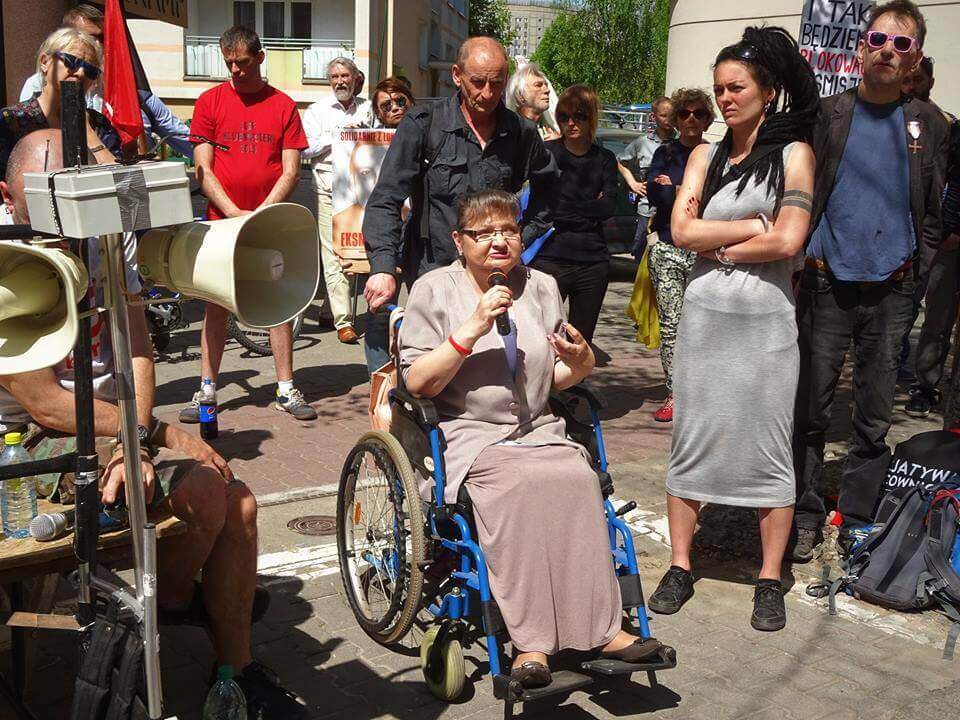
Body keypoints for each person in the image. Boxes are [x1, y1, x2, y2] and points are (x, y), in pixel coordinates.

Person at [0, 130, 307, 719]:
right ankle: (175, 601)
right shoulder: (11, 256)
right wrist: (158, 436)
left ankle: (232, 670)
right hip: (32, 446)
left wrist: (135, 441)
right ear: (11, 199)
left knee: (239, 506)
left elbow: (139, 346)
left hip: (112, 427)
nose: (65, 226)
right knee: (205, 491)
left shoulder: (104, 244)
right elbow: (44, 405)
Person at [399, 189, 663, 688]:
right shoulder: (433, 290)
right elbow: (417, 383)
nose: (500, 241)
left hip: (538, 427)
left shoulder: (541, 285)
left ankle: (603, 631)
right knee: (519, 484)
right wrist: (472, 326)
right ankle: (531, 643)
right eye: (485, 232)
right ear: (459, 241)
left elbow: (553, 377)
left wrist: (581, 360)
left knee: (576, 477)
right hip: (469, 432)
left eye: (510, 230)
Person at [647, 26, 818, 632]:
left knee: (771, 442)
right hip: (704, 322)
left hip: (766, 325)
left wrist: (728, 246)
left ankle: (770, 576)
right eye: (718, 89)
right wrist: (750, 230)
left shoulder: (794, 154)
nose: (724, 99)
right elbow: (681, 231)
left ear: (767, 91)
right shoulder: (704, 155)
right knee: (693, 436)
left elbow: (791, 239)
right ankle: (680, 564)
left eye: (736, 87)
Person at [792, 0, 950, 561]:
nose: (887, 50)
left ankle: (857, 517)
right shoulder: (829, 115)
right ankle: (805, 514)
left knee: (874, 415)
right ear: (861, 47)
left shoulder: (929, 124)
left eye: (901, 45)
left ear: (915, 61)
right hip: (827, 283)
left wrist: (919, 272)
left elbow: (933, 212)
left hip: (894, 290)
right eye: (878, 39)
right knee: (809, 409)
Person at [361, 36, 558, 315]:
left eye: (497, 83)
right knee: (436, 357)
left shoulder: (521, 133)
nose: (488, 94)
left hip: (494, 275)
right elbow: (386, 198)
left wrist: (521, 238)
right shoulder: (424, 125)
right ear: (457, 75)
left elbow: (549, 189)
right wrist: (383, 267)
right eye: (478, 82)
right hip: (432, 271)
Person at [182, 26, 317, 422]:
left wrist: (260, 214)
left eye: (242, 62)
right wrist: (233, 213)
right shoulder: (210, 101)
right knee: (216, 304)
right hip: (221, 223)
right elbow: (202, 169)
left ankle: (286, 388)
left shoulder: (283, 106)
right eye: (229, 63)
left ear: (260, 57)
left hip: (268, 222)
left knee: (276, 302)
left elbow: (291, 171)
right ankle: (206, 388)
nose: (235, 70)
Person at [645, 88, 714, 423]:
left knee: (705, 325)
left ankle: (702, 393)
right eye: (684, 113)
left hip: (706, 253)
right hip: (668, 249)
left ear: (706, 119)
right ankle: (675, 391)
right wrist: (672, 190)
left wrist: (674, 186)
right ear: (675, 118)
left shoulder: (716, 155)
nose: (691, 119)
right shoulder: (665, 152)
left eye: (698, 113)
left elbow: (711, 202)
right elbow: (658, 196)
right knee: (671, 326)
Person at [528, 85, 617, 345]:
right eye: (564, 116)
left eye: (579, 116)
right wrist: (588, 207)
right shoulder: (548, 154)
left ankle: (573, 386)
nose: (571, 123)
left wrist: (567, 208)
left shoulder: (604, 158)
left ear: (591, 118)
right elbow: (542, 207)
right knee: (542, 337)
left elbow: (609, 207)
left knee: (580, 340)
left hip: (593, 261)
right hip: (550, 257)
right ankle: (543, 387)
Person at [302, 57, 372, 345]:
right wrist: (340, 135)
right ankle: (344, 321)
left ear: (356, 79)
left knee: (354, 248)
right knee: (332, 252)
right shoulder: (317, 111)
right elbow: (305, 148)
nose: (340, 81)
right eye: (334, 77)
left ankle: (331, 309)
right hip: (327, 187)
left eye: (345, 76)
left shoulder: (368, 108)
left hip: (360, 188)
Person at [1, 27, 115, 180]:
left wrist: (87, 132)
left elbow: (118, 180)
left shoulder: (100, 125)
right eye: (71, 61)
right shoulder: (12, 120)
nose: (80, 73)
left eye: (90, 71)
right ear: (45, 62)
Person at [363, 77, 415, 372]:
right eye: (387, 106)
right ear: (378, 113)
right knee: (380, 310)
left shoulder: (429, 135)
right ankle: (380, 381)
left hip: (420, 235)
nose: (395, 108)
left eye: (400, 101)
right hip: (386, 235)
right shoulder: (367, 145)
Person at [617, 97, 676, 257]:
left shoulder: (681, 143)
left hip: (674, 212)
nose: (668, 120)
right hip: (647, 210)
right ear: (654, 116)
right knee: (642, 253)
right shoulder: (642, 143)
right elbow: (620, 162)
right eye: (664, 115)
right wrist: (633, 183)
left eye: (672, 115)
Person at [19, 4, 104, 105]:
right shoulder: (36, 84)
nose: (97, 44)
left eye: (102, 38)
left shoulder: (102, 80)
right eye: (71, 61)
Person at [505, 62, 559, 140]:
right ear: (520, 95)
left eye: (546, 85)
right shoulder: (509, 134)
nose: (547, 90)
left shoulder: (552, 131)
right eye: (538, 85)